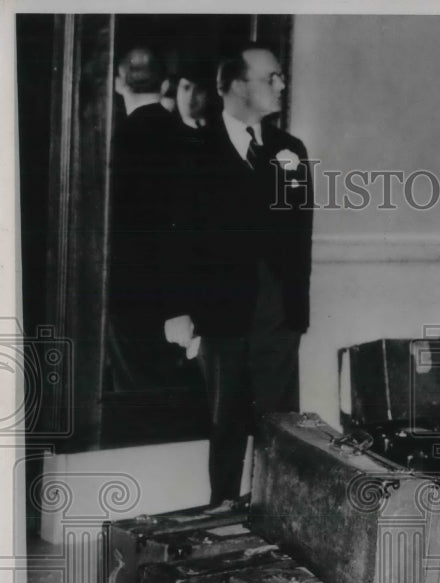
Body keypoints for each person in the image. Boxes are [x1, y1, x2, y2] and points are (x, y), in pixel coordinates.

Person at [166, 42, 314, 505]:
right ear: (233, 85)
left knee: (280, 427)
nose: (281, 85)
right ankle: (222, 517)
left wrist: (295, 313)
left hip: (278, 317)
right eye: (270, 77)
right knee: (225, 425)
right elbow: (172, 241)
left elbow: (297, 238)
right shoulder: (191, 151)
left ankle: (278, 519)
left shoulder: (290, 151)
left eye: (280, 77)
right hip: (221, 315)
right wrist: (177, 311)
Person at [109, 46, 199, 394]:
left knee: (134, 401)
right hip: (171, 299)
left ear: (118, 82)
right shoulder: (185, 138)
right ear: (165, 85)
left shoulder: (114, 139)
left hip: (125, 295)